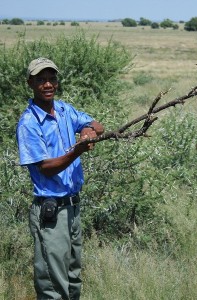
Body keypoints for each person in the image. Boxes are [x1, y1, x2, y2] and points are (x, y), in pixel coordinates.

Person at [16, 57, 104, 299]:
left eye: (52, 78)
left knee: (73, 278)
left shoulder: (65, 110)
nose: (48, 84)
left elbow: (97, 125)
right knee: (53, 286)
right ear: (30, 83)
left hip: (73, 208)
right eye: (41, 80)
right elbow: (46, 168)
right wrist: (77, 150)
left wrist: (87, 130)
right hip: (51, 213)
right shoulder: (29, 123)